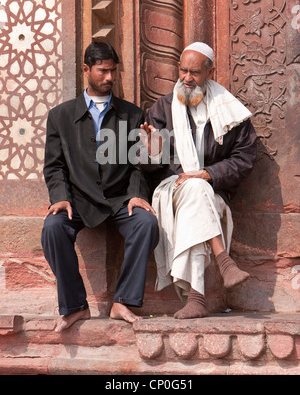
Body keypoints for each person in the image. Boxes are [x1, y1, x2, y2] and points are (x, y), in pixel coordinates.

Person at [41, 41, 158, 332]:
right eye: (102, 71)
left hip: (120, 199)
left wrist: (137, 195)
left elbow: (138, 165)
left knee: (146, 223)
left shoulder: (133, 115)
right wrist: (60, 197)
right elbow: (54, 165)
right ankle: (75, 307)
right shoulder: (60, 116)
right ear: (86, 70)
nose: (109, 78)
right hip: (78, 200)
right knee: (53, 228)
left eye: (113, 71)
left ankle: (123, 302)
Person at [140, 42, 257, 319]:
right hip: (171, 188)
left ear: (209, 72)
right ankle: (224, 261)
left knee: (196, 189)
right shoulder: (163, 108)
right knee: (192, 187)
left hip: (212, 191)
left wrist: (208, 174)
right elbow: (143, 163)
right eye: (182, 70)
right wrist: (152, 149)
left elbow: (245, 157)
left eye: (194, 72)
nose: (187, 78)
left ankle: (196, 299)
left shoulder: (229, 109)